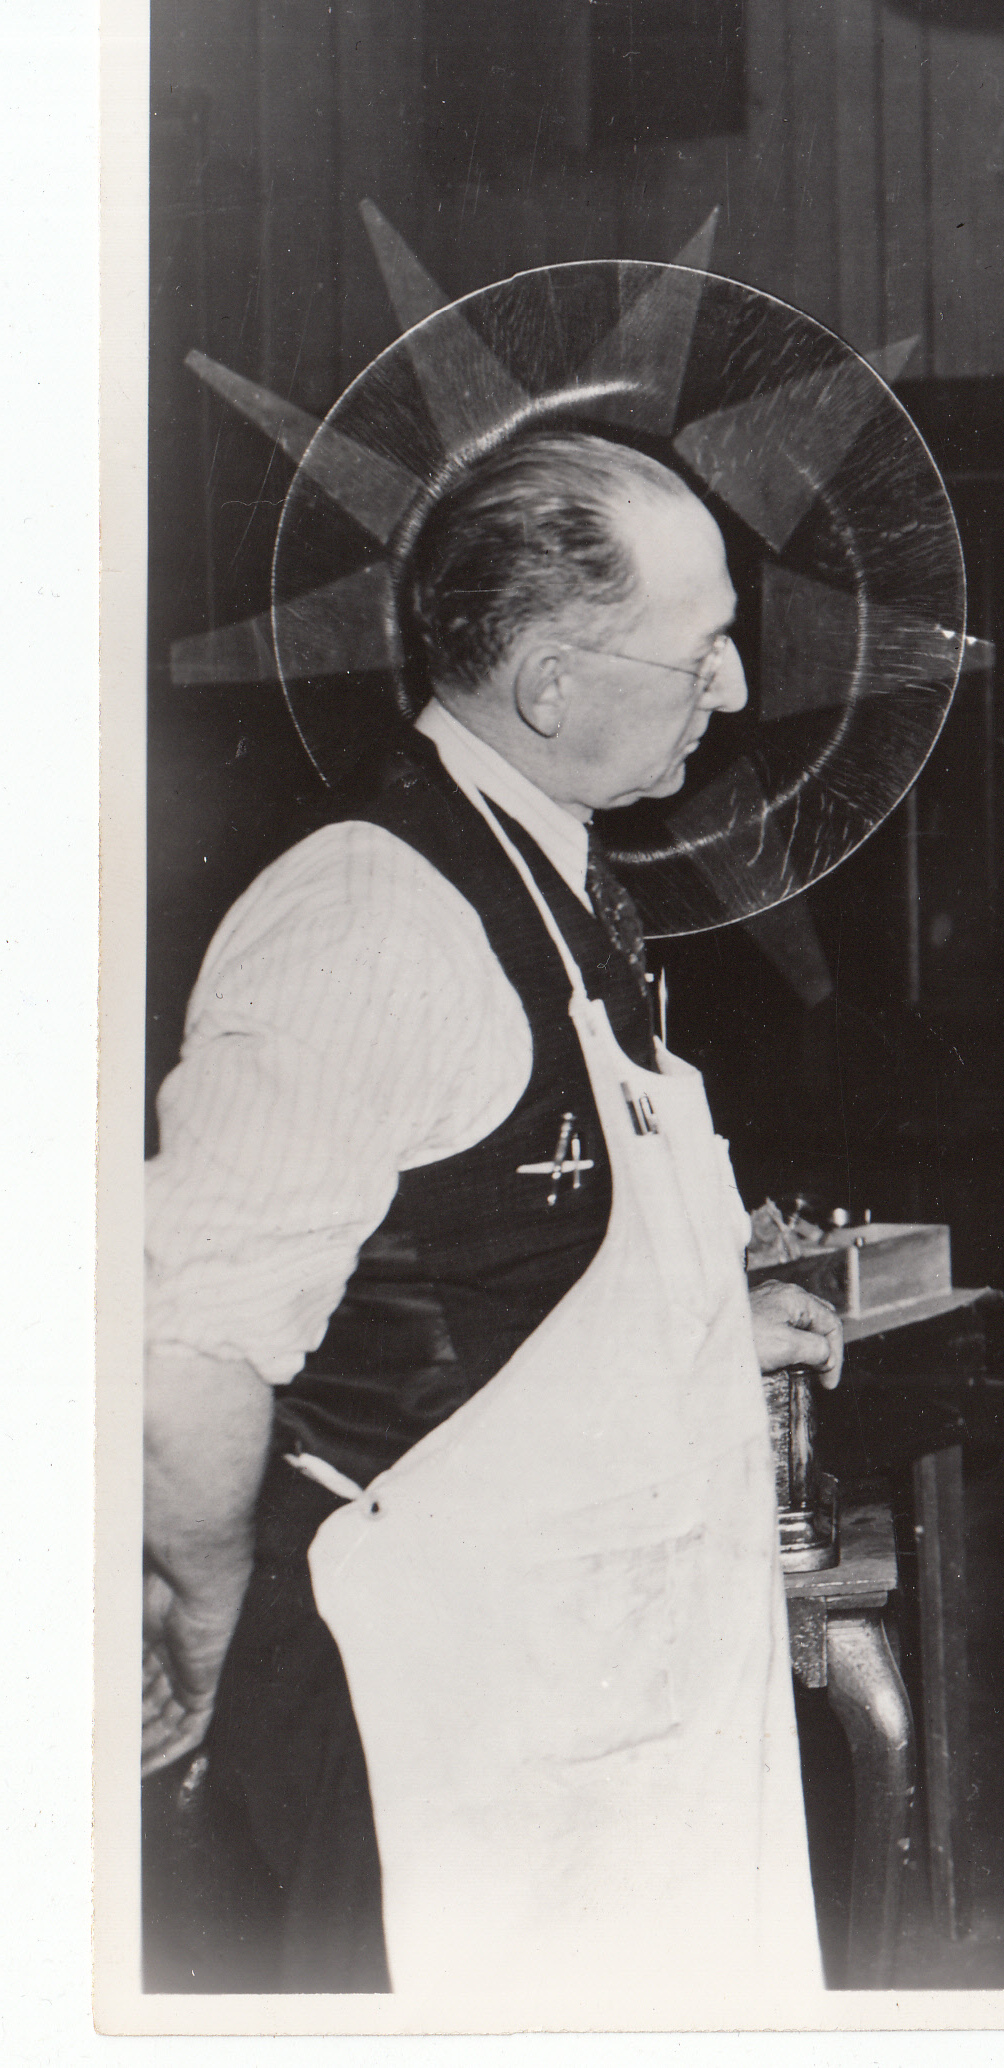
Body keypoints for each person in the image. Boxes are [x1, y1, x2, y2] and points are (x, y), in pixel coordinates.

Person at [142, 431, 845, 1999]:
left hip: (590, 1701)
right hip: (430, 1725)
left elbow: (484, 1250)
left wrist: (698, 1331)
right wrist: (198, 1629)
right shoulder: (367, 916)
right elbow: (182, 1348)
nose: (731, 692)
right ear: (547, 684)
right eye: (701, 650)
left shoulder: (561, 882)